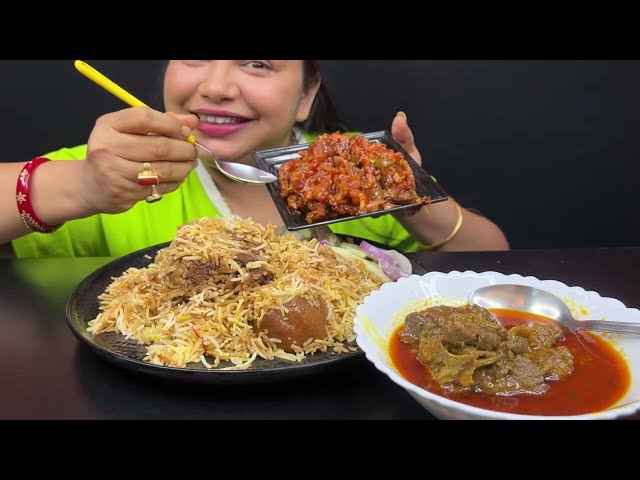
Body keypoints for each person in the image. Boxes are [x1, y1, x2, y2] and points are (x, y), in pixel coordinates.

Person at [0, 60, 509, 259]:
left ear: (308, 94)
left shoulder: (357, 165)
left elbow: (496, 259)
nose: (216, 86)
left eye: (258, 64)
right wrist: (80, 189)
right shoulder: (117, 166)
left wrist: (410, 196)